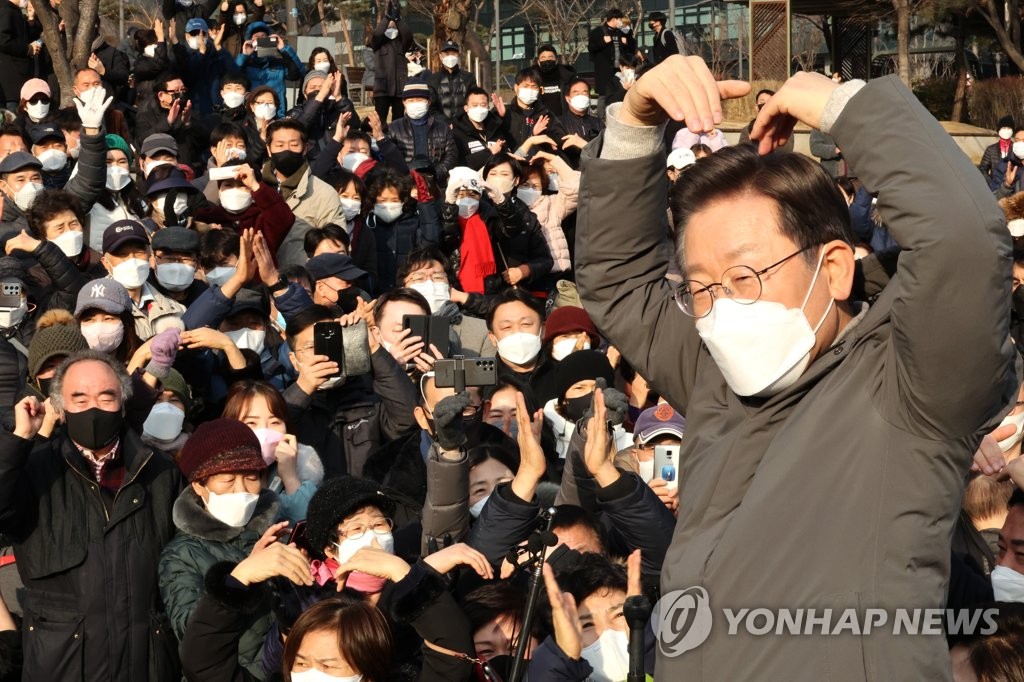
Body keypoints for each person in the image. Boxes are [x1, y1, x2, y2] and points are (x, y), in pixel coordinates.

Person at [575, 53, 1017, 679]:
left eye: (745, 276)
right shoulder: (715, 373)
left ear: (833, 268)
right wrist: (633, 125)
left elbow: (966, 246)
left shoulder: (912, 386)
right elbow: (619, 280)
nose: (719, 307)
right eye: (701, 286)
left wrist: (848, 108)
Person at [0, 350, 182, 680]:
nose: (93, 408)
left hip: (146, 663)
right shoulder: (33, 470)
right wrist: (20, 440)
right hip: (62, 666)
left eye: (106, 396)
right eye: (79, 399)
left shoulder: (160, 472)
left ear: (123, 404)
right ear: (62, 408)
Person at [158, 418, 280, 678]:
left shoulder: (278, 534)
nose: (242, 490)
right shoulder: (181, 555)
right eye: (227, 480)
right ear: (199, 485)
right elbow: (194, 635)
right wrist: (241, 579)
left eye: (251, 477)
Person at [387, 78, 457, 185]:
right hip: (404, 184)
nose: (415, 103)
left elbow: (451, 155)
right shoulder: (393, 128)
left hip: (435, 184)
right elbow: (390, 159)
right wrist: (406, 176)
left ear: (428, 102)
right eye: (410, 100)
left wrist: (435, 174)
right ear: (404, 102)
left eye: (419, 100)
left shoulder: (442, 127)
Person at [235, 22, 303, 118]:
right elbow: (233, 79)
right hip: (251, 115)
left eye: (264, 37)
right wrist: (244, 56)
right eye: (256, 38)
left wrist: (283, 49)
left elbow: (298, 74)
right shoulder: (246, 63)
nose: (261, 40)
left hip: (277, 114)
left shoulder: (278, 62)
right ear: (250, 41)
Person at [370, 0, 412, 123]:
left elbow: (408, 36)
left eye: (394, 23)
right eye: (389, 24)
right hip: (382, 88)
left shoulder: (401, 43)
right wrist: (387, 18)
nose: (391, 25)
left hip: (399, 88)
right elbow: (377, 34)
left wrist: (398, 18)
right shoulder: (378, 43)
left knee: (398, 121)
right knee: (380, 121)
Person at [587, 8, 634, 117]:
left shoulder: (622, 32)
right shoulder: (598, 31)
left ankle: (619, 115)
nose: (621, 22)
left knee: (620, 91)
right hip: (604, 70)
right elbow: (591, 48)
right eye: (620, 20)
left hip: (619, 70)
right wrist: (603, 41)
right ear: (614, 19)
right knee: (603, 95)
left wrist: (627, 42)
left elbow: (631, 49)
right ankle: (601, 119)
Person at [452, 86, 509, 171]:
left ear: (488, 107)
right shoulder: (457, 134)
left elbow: (506, 153)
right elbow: (460, 163)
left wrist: (504, 117)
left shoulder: (495, 129)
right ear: (466, 108)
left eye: (483, 105)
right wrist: (489, 153)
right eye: (474, 105)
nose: (479, 108)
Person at [427, 40, 476, 122]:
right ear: (440, 56)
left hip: (465, 124)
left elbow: (474, 101)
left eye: (453, 53)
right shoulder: (432, 79)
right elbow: (431, 106)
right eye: (446, 54)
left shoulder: (469, 77)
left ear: (458, 55)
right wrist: (445, 123)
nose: (450, 56)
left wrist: (461, 122)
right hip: (441, 126)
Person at [0, 0, 36, 111]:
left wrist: (31, 20)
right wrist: (27, 49)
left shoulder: (14, 11)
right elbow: (3, 40)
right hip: (11, 78)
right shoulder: (6, 10)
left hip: (16, 77)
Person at [738, 88, 794, 152]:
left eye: (769, 102)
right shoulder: (747, 130)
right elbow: (742, 152)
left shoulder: (785, 129)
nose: (766, 106)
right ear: (756, 107)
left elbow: (786, 151)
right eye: (762, 102)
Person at [535, 44, 576, 117]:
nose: (547, 60)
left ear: (556, 60)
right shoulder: (533, 80)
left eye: (550, 57)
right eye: (543, 58)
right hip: (540, 123)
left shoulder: (567, 78)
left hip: (564, 122)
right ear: (538, 62)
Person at [981, 115, 1018, 192]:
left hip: (1012, 189)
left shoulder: (1017, 149)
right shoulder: (991, 149)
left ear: (1012, 131)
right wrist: (991, 183)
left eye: (1009, 128)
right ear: (999, 130)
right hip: (995, 189)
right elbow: (982, 169)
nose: (1006, 130)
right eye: (1004, 128)